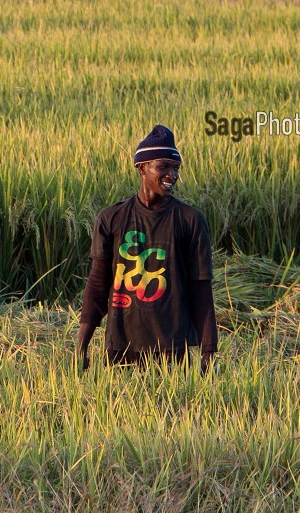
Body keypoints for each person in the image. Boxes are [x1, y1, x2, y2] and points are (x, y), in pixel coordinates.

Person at [77, 124, 217, 373]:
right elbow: (98, 283)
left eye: (176, 169)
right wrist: (82, 345)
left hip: (172, 350)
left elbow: (201, 288)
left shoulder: (190, 220)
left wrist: (209, 351)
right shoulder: (112, 218)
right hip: (121, 347)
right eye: (163, 167)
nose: (172, 175)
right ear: (141, 167)